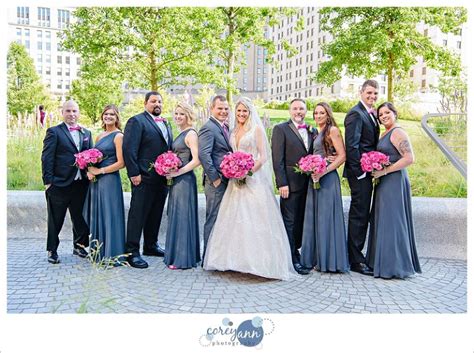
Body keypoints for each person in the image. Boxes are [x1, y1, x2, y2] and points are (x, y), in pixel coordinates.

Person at [203, 97, 296, 280]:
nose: (241, 114)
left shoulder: (257, 130)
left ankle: (259, 264)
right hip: (235, 182)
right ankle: (233, 262)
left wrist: (247, 173)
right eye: (238, 111)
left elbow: (263, 157)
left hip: (253, 180)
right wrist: (233, 170)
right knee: (234, 220)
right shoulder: (233, 129)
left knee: (255, 220)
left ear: (250, 112)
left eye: (244, 111)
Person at [366, 102, 422, 279]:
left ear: (394, 113)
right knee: (384, 220)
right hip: (384, 181)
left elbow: (409, 158)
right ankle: (382, 263)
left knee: (393, 222)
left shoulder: (398, 132)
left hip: (394, 181)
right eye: (380, 114)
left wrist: (385, 170)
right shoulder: (385, 132)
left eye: (387, 113)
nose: (383, 116)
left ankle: (395, 266)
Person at [122, 91, 173, 269]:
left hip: (162, 178)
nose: (156, 104)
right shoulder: (136, 121)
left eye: (159, 101)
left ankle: (150, 245)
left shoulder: (166, 122)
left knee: (156, 212)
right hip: (143, 177)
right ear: (145, 103)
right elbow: (129, 149)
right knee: (138, 214)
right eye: (153, 101)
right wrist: (134, 173)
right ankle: (131, 252)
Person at [41, 100, 92, 264]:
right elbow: (47, 157)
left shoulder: (86, 133)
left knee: (80, 218)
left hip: (81, 183)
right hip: (59, 184)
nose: (72, 114)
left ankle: (79, 246)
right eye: (68, 111)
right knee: (56, 219)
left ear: (79, 112)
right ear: (62, 112)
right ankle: (52, 250)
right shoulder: (54, 132)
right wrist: (48, 181)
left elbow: (90, 154)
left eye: (74, 111)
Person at [300, 102, 349, 273]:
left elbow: (342, 156)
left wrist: (323, 171)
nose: (318, 115)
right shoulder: (315, 132)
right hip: (314, 178)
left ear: (328, 115)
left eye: (322, 113)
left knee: (326, 218)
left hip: (327, 179)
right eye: (316, 113)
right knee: (315, 217)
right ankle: (315, 258)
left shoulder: (332, 130)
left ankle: (329, 261)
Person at [271, 98, 315, 275]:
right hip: (289, 184)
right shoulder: (280, 129)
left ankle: (299, 249)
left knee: (301, 220)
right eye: (295, 109)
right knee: (289, 221)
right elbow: (277, 159)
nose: (298, 112)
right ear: (290, 111)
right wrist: (282, 183)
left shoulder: (313, 130)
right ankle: (291, 257)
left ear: (306, 111)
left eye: (302, 109)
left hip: (309, 185)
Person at [343, 79, 380, 276]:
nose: (372, 97)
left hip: (368, 171)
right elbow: (352, 146)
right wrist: (361, 172)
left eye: (375, 94)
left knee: (363, 213)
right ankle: (355, 260)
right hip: (359, 173)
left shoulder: (371, 114)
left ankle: (357, 255)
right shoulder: (355, 114)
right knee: (359, 214)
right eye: (369, 93)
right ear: (361, 92)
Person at [83, 104, 126, 263]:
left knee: (110, 214)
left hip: (109, 180)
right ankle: (98, 252)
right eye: (106, 114)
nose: (108, 117)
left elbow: (122, 163)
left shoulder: (119, 136)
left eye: (112, 115)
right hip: (96, 181)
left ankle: (112, 254)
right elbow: (93, 157)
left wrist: (100, 171)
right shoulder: (99, 136)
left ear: (116, 118)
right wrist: (89, 169)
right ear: (102, 116)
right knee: (98, 214)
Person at [164, 102, 201, 269]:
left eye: (181, 114)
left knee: (182, 215)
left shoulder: (191, 134)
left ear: (188, 115)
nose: (178, 117)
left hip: (185, 181)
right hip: (177, 180)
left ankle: (182, 259)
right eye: (176, 114)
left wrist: (178, 172)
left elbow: (197, 160)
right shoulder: (181, 132)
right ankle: (179, 254)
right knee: (176, 214)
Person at [198, 95, 232, 260]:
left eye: (226, 108)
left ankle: (219, 256)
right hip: (216, 182)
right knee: (212, 218)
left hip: (228, 181)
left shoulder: (225, 127)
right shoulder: (208, 128)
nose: (223, 111)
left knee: (223, 218)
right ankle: (207, 258)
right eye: (220, 108)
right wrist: (215, 179)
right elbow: (204, 155)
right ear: (212, 109)